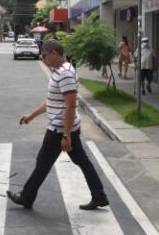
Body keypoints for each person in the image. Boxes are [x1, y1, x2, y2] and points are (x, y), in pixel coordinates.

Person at [7, 40, 109, 211]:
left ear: (54, 53)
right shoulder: (59, 71)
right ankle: (99, 195)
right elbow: (53, 101)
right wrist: (32, 115)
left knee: (43, 162)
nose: (43, 58)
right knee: (81, 161)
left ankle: (26, 197)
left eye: (45, 55)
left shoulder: (65, 73)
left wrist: (66, 135)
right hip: (64, 127)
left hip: (59, 128)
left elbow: (70, 105)